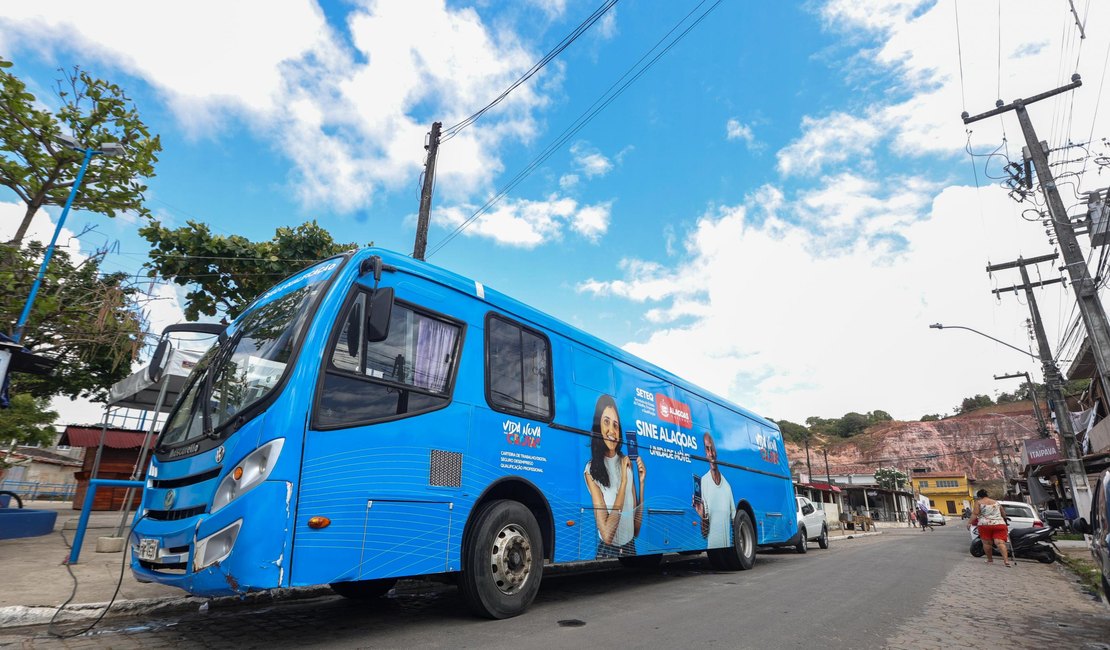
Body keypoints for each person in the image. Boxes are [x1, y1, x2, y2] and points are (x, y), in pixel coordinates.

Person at [583, 394, 645, 558]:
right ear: (599, 428)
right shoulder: (591, 470)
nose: (612, 430)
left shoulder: (627, 464)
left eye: (616, 425)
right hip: (607, 552)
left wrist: (641, 483)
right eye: (606, 422)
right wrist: (624, 482)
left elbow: (636, 530)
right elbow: (607, 535)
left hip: (631, 548)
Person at [694, 431, 735, 548]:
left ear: (717, 451)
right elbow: (704, 534)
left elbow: (734, 521)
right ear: (705, 453)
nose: (710, 453)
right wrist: (703, 516)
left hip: (727, 553)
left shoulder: (727, 486)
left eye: (712, 449)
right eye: (707, 449)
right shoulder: (703, 482)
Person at [970, 488, 1011, 566]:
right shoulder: (996, 502)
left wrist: (969, 523)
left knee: (987, 543)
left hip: (985, 525)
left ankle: (990, 560)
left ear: (979, 496)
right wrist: (1005, 520)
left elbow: (975, 513)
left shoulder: (978, 502)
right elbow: (1003, 513)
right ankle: (1006, 561)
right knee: (1000, 542)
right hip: (999, 524)